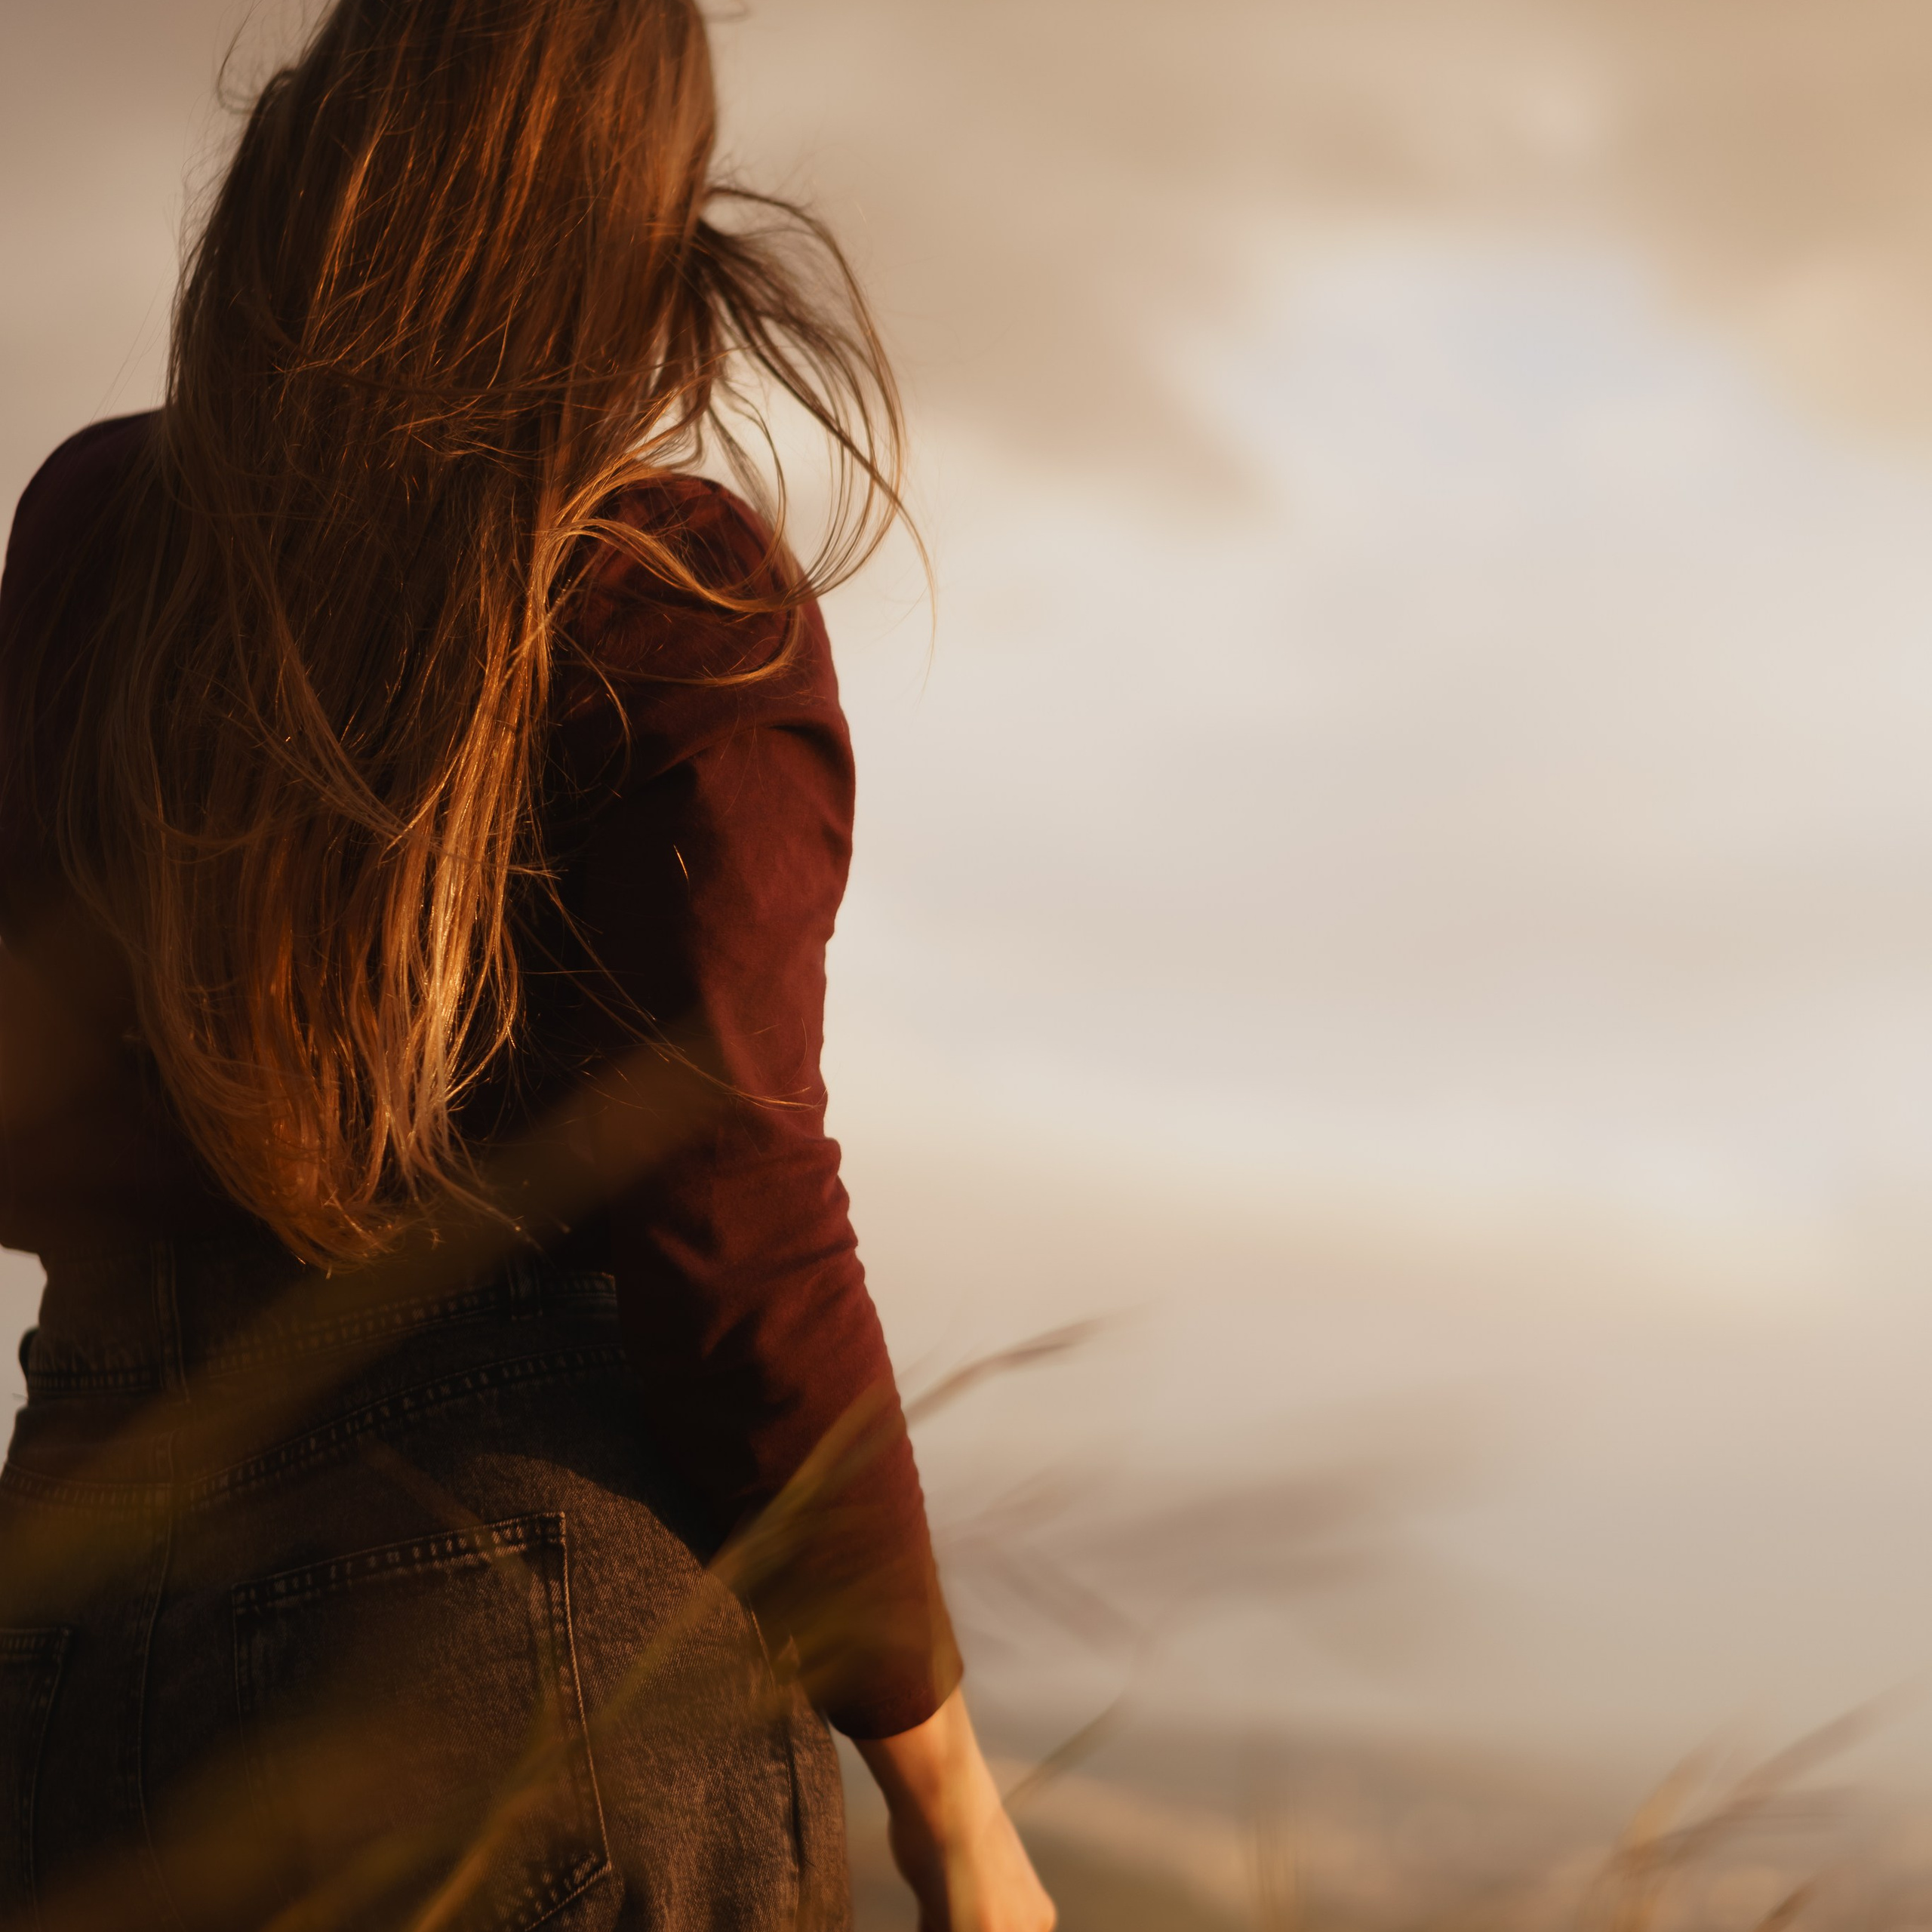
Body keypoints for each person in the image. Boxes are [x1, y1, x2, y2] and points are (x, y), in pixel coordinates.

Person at [0, 3, 1054, 1928]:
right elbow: (732, 1226)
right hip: (520, 1607)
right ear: (635, 232)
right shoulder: (670, 603)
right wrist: (954, 1812)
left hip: (72, 1613)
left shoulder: (88, 534)